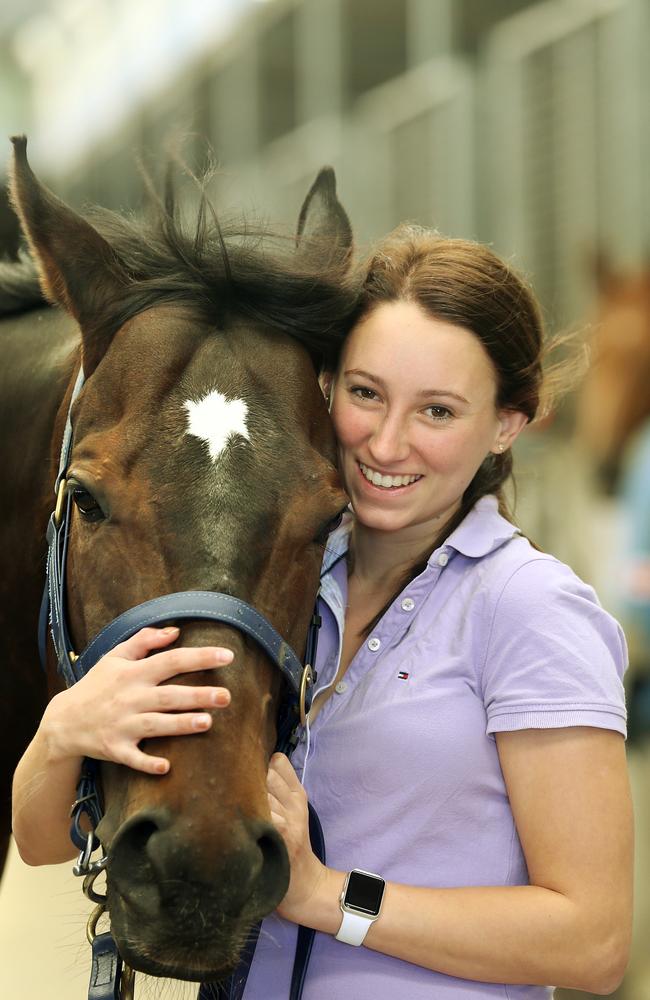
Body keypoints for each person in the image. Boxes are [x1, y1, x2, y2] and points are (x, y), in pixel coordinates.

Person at [12, 226, 633, 998]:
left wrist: (331, 899)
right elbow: (44, 843)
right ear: (328, 388)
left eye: (437, 411)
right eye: (366, 393)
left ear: (508, 424)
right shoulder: (289, 585)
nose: (386, 443)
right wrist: (63, 728)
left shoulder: (532, 610)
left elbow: (594, 941)